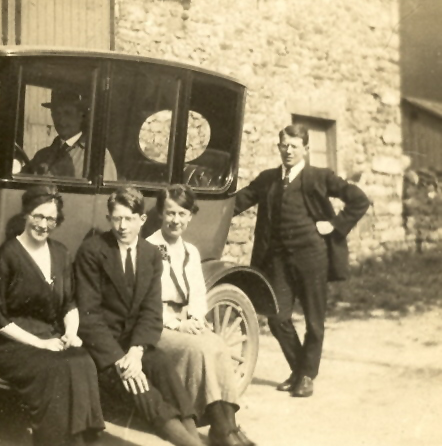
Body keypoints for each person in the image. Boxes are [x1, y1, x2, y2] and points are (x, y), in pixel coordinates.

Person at [234, 124, 369, 398]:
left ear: (306, 149)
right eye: (284, 145)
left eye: (295, 146)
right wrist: (194, 208)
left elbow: (359, 200)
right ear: (278, 147)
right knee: (277, 317)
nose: (289, 150)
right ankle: (299, 370)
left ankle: (307, 375)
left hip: (312, 258)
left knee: (314, 321)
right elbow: (239, 201)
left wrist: (335, 224)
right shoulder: (268, 179)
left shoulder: (319, 177)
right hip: (279, 261)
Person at [75, 187, 205, 446]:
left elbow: (151, 310)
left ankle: (194, 440)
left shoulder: (151, 254)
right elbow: (89, 316)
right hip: (104, 351)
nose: (123, 226)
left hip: (133, 345)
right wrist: (121, 359)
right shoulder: (92, 251)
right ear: (109, 218)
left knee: (165, 368)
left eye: (130, 219)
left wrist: (136, 350)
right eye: (117, 218)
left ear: (142, 220)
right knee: (139, 386)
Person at [0, 185, 105, 446]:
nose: (43, 224)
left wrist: (71, 333)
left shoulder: (60, 253)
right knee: (57, 368)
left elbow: (69, 303)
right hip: (9, 344)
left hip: (50, 337)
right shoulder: (6, 257)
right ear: (26, 214)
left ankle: (82, 441)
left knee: (82, 360)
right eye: (38, 216)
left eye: (51, 219)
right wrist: (41, 344)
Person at [147, 184, 255, 446]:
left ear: (190, 216)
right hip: (157, 322)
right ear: (161, 213)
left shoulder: (190, 252)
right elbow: (146, 301)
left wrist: (195, 318)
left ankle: (228, 426)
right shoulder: (148, 248)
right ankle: (220, 427)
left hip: (185, 320)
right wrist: (177, 324)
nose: (176, 220)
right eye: (171, 213)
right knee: (201, 349)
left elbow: (197, 292)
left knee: (217, 344)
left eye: (182, 214)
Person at [24, 88, 118, 180]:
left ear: (81, 116)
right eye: (56, 113)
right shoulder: (42, 155)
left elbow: (104, 194)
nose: (61, 120)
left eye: (67, 113)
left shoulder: (97, 155)